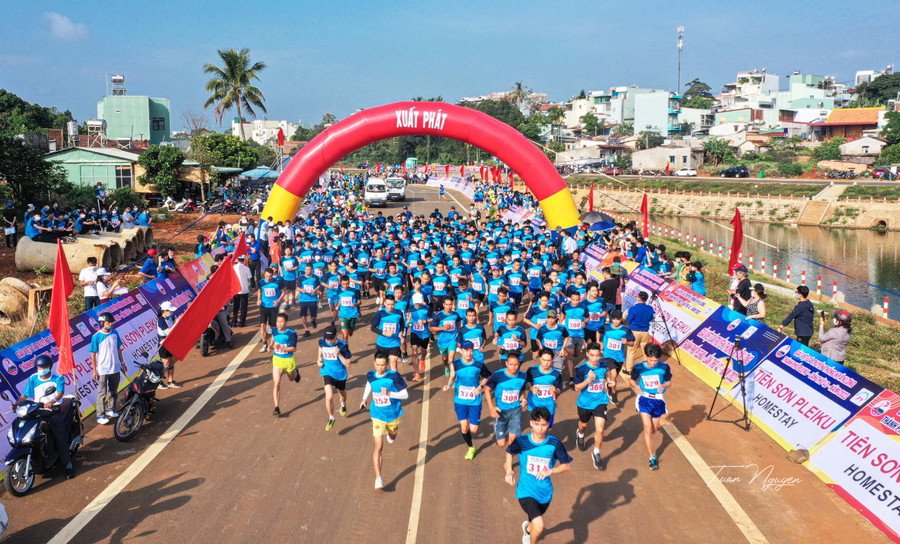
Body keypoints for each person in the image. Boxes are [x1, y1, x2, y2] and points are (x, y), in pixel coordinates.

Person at [504, 407, 572, 544]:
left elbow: (566, 466)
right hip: (526, 491)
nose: (540, 428)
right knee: (539, 525)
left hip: (545, 492)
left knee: (534, 522)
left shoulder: (554, 443)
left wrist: (550, 471)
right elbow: (509, 452)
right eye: (537, 424)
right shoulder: (522, 441)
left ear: (548, 425)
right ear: (531, 423)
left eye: (543, 425)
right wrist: (509, 471)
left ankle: (528, 530)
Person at [17, 354, 75, 479]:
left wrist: (52, 401)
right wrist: (16, 403)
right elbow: (25, 395)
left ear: (50, 366)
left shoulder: (57, 377)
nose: (41, 370)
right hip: (37, 412)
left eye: (44, 367)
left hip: (53, 411)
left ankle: (68, 465)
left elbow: (60, 392)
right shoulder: (33, 378)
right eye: (39, 368)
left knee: (60, 438)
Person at [360, 354, 409, 490]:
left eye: (383, 365)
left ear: (387, 364)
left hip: (393, 415)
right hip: (377, 415)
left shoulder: (394, 376)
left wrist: (389, 394)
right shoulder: (370, 375)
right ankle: (378, 478)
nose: (380, 367)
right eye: (377, 364)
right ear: (374, 363)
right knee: (379, 446)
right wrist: (364, 399)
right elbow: (369, 385)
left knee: (392, 436)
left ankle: (391, 434)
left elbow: (405, 394)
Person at [442, 340, 492, 460]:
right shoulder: (455, 363)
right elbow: (452, 377)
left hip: (474, 400)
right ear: (461, 351)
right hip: (460, 400)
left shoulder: (478, 364)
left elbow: (488, 376)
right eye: (466, 350)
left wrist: (480, 387)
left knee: (474, 429)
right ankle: (471, 447)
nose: (469, 353)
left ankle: (472, 428)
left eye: (471, 350)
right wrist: (448, 385)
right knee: (464, 427)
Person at [574, 344, 618, 470]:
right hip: (584, 403)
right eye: (592, 355)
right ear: (587, 354)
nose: (595, 358)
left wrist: (610, 381)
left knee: (600, 429)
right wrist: (588, 380)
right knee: (584, 425)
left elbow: (606, 375)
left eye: (597, 355)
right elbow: (577, 388)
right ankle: (580, 435)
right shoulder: (581, 369)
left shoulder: (603, 365)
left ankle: (596, 453)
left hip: (600, 402)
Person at [630, 343, 671, 470]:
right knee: (647, 428)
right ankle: (652, 457)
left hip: (658, 400)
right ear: (646, 356)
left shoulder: (664, 367)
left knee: (653, 429)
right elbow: (632, 380)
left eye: (656, 360)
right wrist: (636, 386)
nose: (653, 362)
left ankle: (649, 436)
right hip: (644, 399)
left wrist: (663, 386)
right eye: (650, 359)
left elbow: (669, 382)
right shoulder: (638, 367)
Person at [90, 312, 128, 425]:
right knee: (102, 393)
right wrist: (94, 370)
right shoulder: (96, 337)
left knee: (113, 391)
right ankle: (100, 415)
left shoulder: (115, 333)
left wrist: (123, 363)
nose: (111, 324)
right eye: (109, 322)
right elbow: (93, 354)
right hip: (102, 370)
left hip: (115, 368)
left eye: (112, 322)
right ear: (102, 323)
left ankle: (111, 409)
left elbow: (119, 349)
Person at [485, 351, 528, 449]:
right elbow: (487, 389)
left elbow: (522, 388)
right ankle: (502, 434)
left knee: (513, 442)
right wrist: (491, 408)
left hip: (516, 411)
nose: (513, 367)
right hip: (501, 412)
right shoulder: (497, 375)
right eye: (511, 364)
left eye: (516, 364)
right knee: (501, 444)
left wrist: (523, 397)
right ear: (506, 363)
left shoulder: (523, 376)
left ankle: (508, 463)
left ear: (519, 364)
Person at [317, 326, 353, 430]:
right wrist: (319, 360)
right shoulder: (322, 342)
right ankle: (331, 418)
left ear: (336, 336)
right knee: (329, 397)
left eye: (331, 339)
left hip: (340, 374)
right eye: (327, 338)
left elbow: (348, 364)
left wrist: (339, 354)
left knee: (341, 393)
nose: (329, 341)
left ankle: (343, 404)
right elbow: (319, 354)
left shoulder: (343, 346)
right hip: (327, 372)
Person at [270, 312, 301, 417]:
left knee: (292, 378)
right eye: (278, 321)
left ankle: (296, 373)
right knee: (276, 383)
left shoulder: (291, 334)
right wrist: (270, 346)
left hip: (288, 360)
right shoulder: (274, 330)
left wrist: (281, 348)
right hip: (277, 360)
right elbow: (273, 338)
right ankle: (276, 407)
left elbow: (294, 349)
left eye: (281, 321)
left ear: (286, 322)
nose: (279, 324)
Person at [526, 349, 563, 428]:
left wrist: (555, 391)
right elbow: (528, 380)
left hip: (549, 405)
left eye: (549, 360)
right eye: (544, 360)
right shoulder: (532, 370)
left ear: (552, 360)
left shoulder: (556, 374)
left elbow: (559, 389)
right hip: (534, 404)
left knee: (546, 427)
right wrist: (531, 388)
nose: (546, 363)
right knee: (537, 427)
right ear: (540, 358)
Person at [371, 294, 406, 371]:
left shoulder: (399, 313)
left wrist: (401, 333)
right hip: (382, 344)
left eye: (392, 304)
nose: (390, 307)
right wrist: (384, 333)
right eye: (388, 304)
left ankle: (395, 381)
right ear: (384, 304)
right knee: (381, 367)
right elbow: (373, 328)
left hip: (394, 343)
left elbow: (402, 325)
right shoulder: (379, 313)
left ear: (395, 303)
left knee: (393, 362)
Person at [624, 292, 654, 375]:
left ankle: (629, 369)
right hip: (645, 332)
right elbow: (651, 318)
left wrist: (627, 316)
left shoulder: (634, 308)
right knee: (646, 351)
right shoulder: (650, 308)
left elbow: (628, 320)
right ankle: (646, 368)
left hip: (634, 332)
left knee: (631, 351)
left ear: (639, 298)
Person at [258, 267, 285, 353]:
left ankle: (271, 344)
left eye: (270, 276)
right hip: (264, 306)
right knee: (262, 325)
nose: (268, 278)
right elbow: (259, 291)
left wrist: (278, 300)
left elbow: (283, 292)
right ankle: (265, 344)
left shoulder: (277, 281)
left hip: (274, 307)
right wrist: (258, 299)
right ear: (264, 275)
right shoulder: (261, 282)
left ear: (272, 275)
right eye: (266, 276)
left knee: (273, 327)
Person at [156, 301, 181, 389]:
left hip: (171, 343)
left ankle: (170, 381)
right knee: (165, 363)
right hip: (163, 344)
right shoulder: (160, 321)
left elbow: (176, 327)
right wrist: (177, 323)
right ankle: (158, 382)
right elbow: (169, 333)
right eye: (170, 311)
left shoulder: (171, 317)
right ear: (164, 311)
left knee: (171, 362)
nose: (171, 313)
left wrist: (178, 321)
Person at [232, 255, 252, 327]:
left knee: (236, 306)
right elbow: (249, 278)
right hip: (244, 289)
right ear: (243, 260)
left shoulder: (233, 267)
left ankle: (234, 321)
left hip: (236, 289)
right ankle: (242, 322)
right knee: (243, 307)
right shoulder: (246, 268)